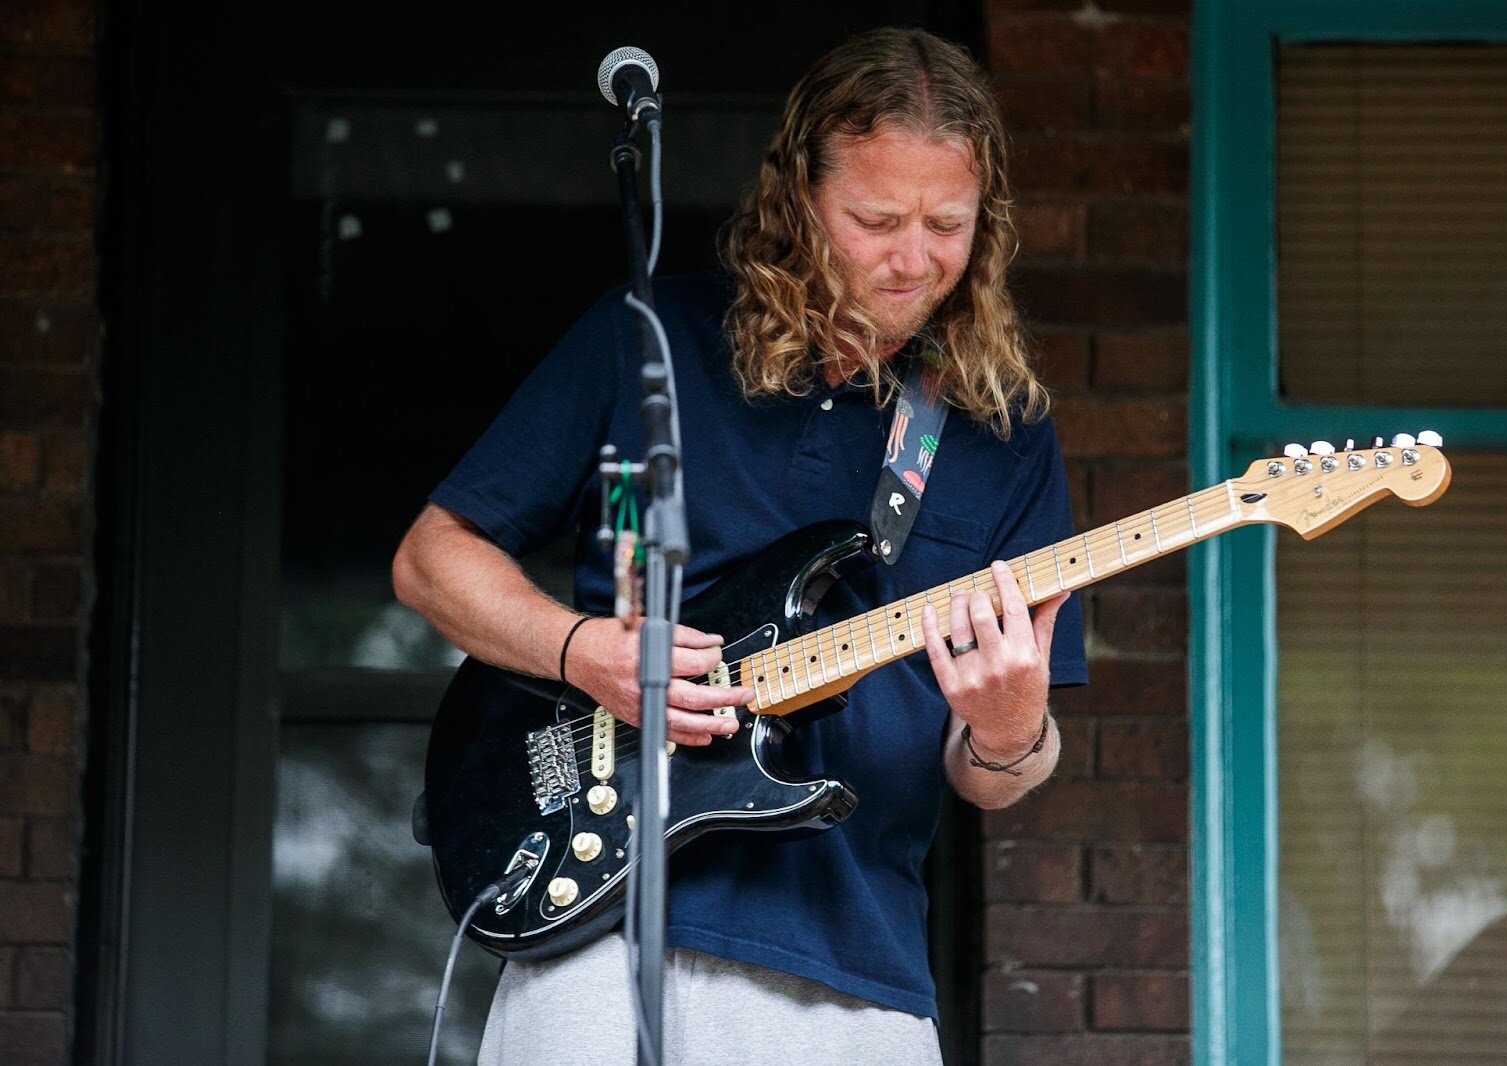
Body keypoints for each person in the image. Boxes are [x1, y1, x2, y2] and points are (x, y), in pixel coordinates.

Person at [392, 26, 1088, 1066]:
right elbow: (431, 559)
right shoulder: (655, 342)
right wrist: (582, 648)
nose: (915, 257)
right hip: (600, 926)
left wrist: (1008, 730)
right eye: (875, 219)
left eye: (948, 223)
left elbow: (992, 774)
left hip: (856, 973)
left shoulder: (1003, 431)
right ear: (800, 199)